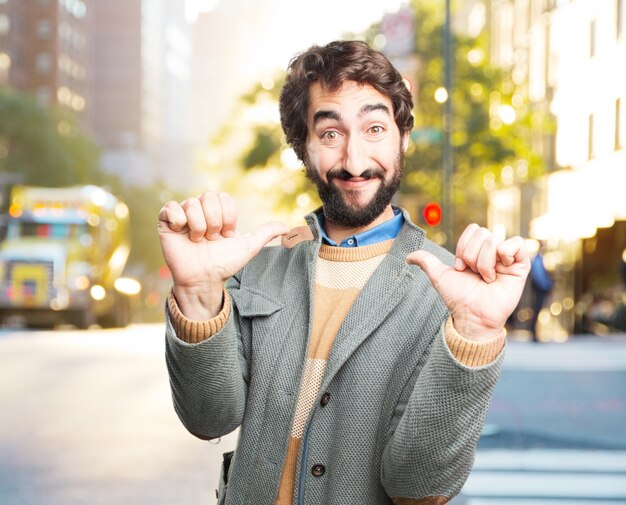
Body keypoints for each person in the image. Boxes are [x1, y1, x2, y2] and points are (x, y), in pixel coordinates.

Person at [158, 40, 530, 505]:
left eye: (375, 128)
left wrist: (474, 333)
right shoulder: (258, 267)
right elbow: (208, 418)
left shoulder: (451, 291)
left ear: (403, 137)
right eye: (331, 134)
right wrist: (195, 294)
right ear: (304, 147)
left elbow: (419, 486)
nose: (355, 161)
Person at [529, 247, 553, 342]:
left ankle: (534, 332)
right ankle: (533, 333)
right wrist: (547, 285)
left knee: (537, 311)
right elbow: (539, 276)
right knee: (537, 310)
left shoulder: (539, 259)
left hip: (540, 288)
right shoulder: (538, 260)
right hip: (540, 289)